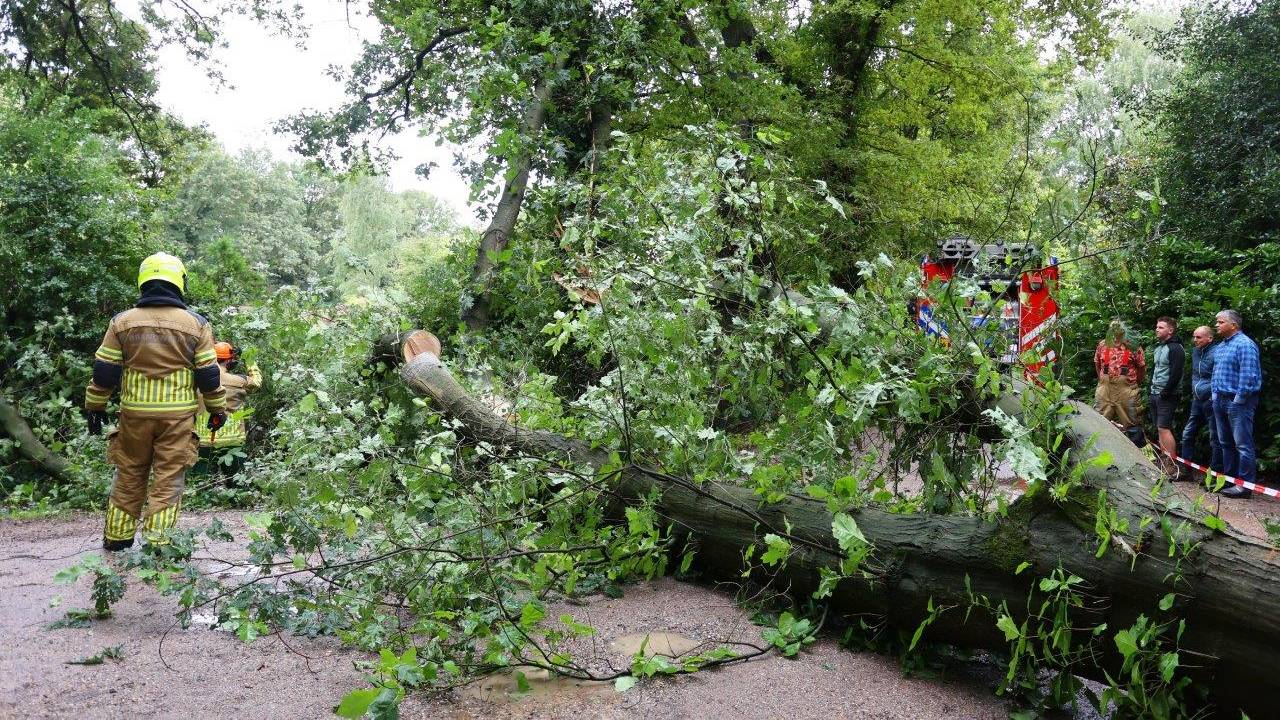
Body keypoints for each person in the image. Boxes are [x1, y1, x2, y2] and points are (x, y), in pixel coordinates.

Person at [84, 252, 226, 550]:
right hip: (177, 418)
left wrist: (94, 407)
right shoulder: (197, 325)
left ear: (143, 280)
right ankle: (158, 543)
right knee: (168, 477)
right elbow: (209, 377)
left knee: (129, 473)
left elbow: (104, 373)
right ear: (179, 281)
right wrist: (217, 410)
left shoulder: (121, 323)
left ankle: (118, 539)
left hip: (134, 415)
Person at [1212, 309, 1263, 498]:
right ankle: (1228, 480)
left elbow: (1249, 375)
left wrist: (1238, 400)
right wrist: (1215, 395)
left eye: (1220, 322)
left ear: (1233, 325)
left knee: (1242, 444)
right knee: (1225, 443)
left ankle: (1244, 486)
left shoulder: (1245, 344)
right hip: (1220, 400)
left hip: (1238, 402)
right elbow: (1217, 373)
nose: (1216, 325)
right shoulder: (1221, 346)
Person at [194, 341, 262, 476]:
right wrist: (249, 359)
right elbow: (257, 382)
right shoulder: (240, 381)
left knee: (201, 483)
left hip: (203, 440)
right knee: (236, 484)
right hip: (232, 440)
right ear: (229, 361)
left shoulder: (197, 379)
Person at [1179, 325, 1221, 481]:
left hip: (1210, 400)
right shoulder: (1196, 351)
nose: (1194, 340)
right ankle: (1186, 471)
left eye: (1198, 337)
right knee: (1188, 434)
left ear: (1210, 338)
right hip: (1197, 400)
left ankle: (1214, 477)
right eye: (1194, 336)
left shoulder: (1217, 352)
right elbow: (1196, 375)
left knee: (1214, 438)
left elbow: (1218, 377)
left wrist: (1210, 394)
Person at [1149, 317, 1185, 477]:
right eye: (1157, 327)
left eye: (1161, 327)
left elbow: (1176, 373)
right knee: (1160, 428)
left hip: (1167, 394)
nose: (1157, 329)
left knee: (1164, 427)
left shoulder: (1176, 348)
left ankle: (1171, 466)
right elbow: (1156, 371)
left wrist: (1166, 392)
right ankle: (1164, 462)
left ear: (1170, 330)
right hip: (1155, 392)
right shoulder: (1159, 348)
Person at [1094, 320, 1145, 429]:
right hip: (1105, 391)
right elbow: (1097, 364)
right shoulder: (1103, 345)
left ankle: (1137, 445)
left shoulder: (1133, 346)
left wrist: (1132, 385)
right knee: (1098, 422)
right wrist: (1102, 381)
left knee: (1133, 424)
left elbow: (1141, 367)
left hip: (1126, 391)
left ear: (1124, 330)